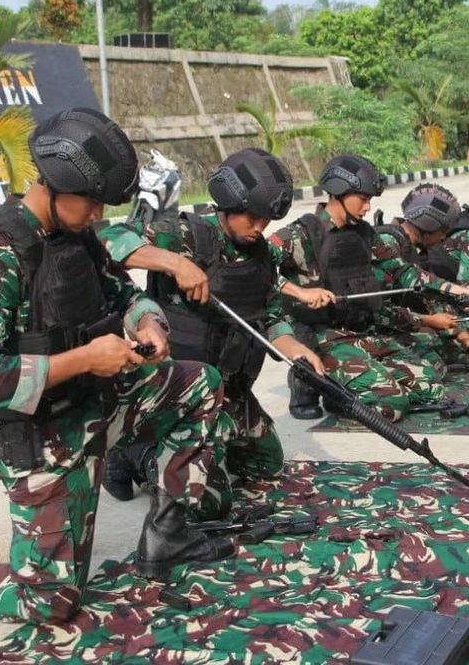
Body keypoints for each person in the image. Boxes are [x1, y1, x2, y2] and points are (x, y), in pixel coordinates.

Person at [0, 108, 236, 624]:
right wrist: (86, 358)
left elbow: (122, 292)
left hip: (91, 404)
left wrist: (149, 323)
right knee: (51, 602)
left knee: (199, 384)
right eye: (92, 202)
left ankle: (168, 535)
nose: (98, 214)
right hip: (38, 439)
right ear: (54, 185)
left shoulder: (76, 236)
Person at [97, 149, 326, 505]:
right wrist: (175, 263)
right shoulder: (188, 235)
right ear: (229, 202)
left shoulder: (262, 255)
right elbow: (107, 241)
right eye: (253, 216)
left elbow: (271, 316)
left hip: (230, 389)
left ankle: (199, 449)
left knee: (266, 465)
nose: (260, 227)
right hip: (179, 390)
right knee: (202, 499)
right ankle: (131, 454)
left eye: (266, 219)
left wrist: (295, 349)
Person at [270, 154, 469, 422]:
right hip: (321, 336)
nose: (368, 207)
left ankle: (346, 386)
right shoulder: (301, 234)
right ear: (339, 192)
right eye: (363, 199)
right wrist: (299, 292)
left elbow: (404, 272)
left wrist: (456, 291)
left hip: (360, 331)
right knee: (392, 405)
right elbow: (256, 270)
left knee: (431, 387)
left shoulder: (365, 235)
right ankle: (310, 381)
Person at [374, 183, 469, 371]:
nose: (443, 239)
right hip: (377, 326)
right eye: (442, 232)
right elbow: (381, 310)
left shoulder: (412, 249)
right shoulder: (387, 244)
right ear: (428, 226)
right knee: (435, 365)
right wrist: (427, 320)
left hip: (401, 321)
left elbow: (432, 300)